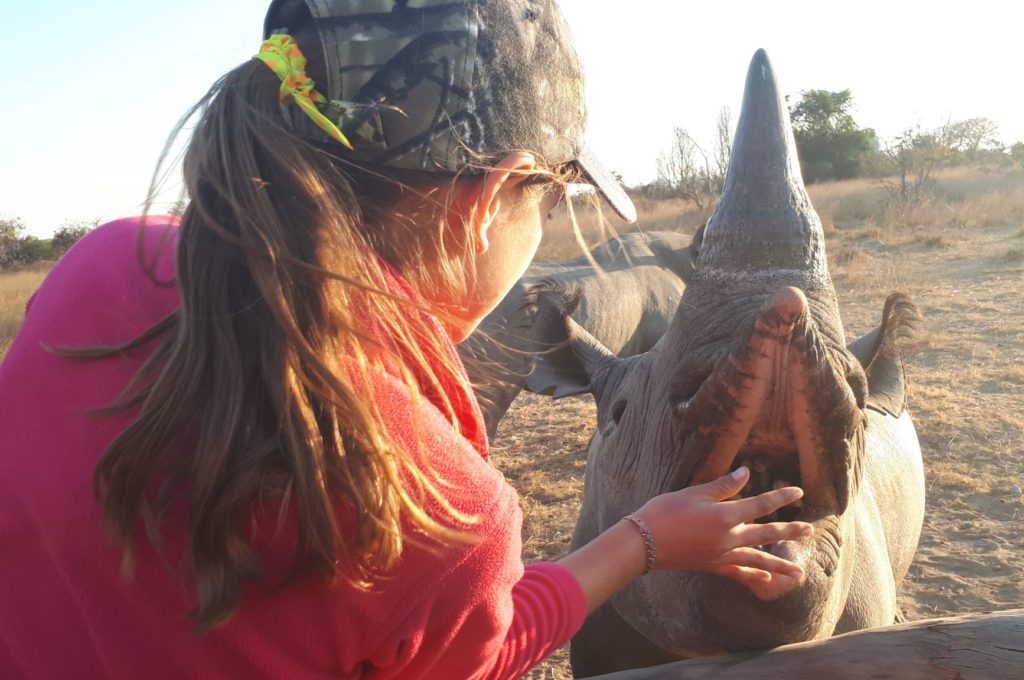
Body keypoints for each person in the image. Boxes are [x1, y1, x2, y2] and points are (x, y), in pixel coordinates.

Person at [0, 1, 813, 678]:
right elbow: (479, 648)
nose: (545, 227)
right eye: (553, 201)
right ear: (490, 199)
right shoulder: (438, 509)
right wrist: (641, 541)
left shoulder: (96, 267)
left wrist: (640, 537)